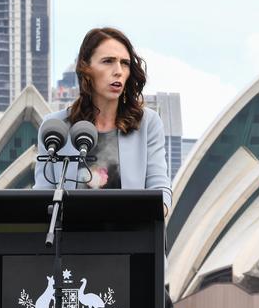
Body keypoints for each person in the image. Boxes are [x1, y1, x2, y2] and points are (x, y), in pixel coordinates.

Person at [33, 27, 172, 216]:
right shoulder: (55, 127)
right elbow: (42, 194)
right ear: (86, 68)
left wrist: (154, 214)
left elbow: (160, 189)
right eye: (108, 61)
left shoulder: (147, 123)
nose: (118, 71)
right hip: (69, 241)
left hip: (131, 239)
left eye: (125, 63)